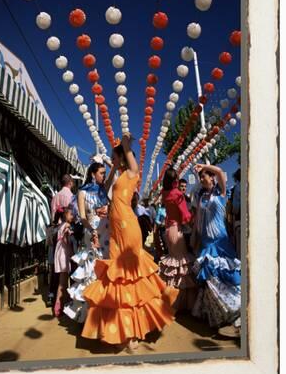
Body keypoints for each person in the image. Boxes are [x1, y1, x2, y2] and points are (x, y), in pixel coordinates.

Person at [81, 134, 178, 353]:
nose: (114, 161)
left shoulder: (132, 173)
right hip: (116, 231)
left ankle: (132, 333)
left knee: (131, 277)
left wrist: (124, 146)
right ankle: (122, 329)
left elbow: (132, 162)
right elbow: (104, 190)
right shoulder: (118, 174)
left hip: (128, 228)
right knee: (117, 279)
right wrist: (114, 167)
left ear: (122, 157)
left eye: (116, 157)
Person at [191, 164, 241, 334]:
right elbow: (198, 220)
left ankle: (235, 311)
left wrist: (204, 166)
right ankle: (218, 315)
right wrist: (196, 237)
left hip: (221, 242)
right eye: (200, 177)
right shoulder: (201, 196)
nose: (201, 179)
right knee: (210, 280)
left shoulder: (221, 193)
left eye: (204, 176)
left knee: (227, 278)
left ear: (212, 178)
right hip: (206, 243)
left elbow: (219, 171)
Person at [64, 162, 111, 323]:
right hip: (92, 233)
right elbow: (82, 217)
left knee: (106, 271)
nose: (104, 176)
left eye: (105, 173)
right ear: (93, 174)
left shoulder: (104, 190)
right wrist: (92, 231)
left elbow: (116, 175)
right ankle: (91, 316)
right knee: (93, 272)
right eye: (101, 173)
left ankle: (106, 313)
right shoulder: (82, 192)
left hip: (107, 233)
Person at [158, 168, 197, 311]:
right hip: (177, 230)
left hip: (168, 230)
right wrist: (195, 218)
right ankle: (181, 302)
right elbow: (186, 216)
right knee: (181, 264)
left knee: (173, 264)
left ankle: (171, 298)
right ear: (175, 180)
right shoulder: (177, 194)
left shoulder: (164, 193)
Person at [53, 207, 75, 317]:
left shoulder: (59, 226)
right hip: (64, 255)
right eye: (71, 214)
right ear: (66, 215)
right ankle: (59, 305)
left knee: (63, 280)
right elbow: (66, 241)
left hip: (60, 254)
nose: (73, 216)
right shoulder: (67, 225)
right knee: (63, 282)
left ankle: (61, 304)